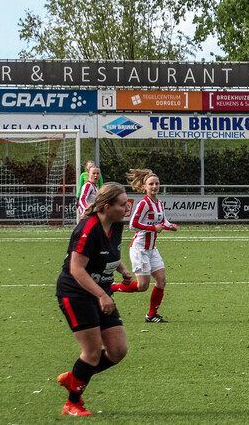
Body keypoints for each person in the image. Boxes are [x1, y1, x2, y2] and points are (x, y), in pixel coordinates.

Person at [56, 183, 133, 416]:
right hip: (76, 293)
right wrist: (101, 295)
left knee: (118, 350)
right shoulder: (88, 228)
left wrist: (123, 269)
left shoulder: (116, 224)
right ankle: (72, 403)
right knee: (91, 352)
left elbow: (109, 252)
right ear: (106, 207)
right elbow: (77, 269)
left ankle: (76, 376)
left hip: (100, 292)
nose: (127, 207)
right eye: (122, 204)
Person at [111, 169, 178, 323]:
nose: (154, 186)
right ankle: (111, 288)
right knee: (143, 286)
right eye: (151, 184)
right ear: (145, 187)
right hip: (140, 249)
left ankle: (152, 315)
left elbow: (163, 222)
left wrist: (170, 226)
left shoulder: (159, 203)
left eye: (156, 183)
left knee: (161, 281)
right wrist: (152, 228)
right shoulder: (143, 203)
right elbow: (132, 225)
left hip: (152, 249)